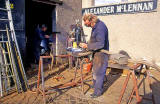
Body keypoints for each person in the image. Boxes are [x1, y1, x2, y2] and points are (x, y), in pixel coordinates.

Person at [79, 13, 109, 98]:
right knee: (95, 72)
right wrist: (87, 45)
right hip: (97, 53)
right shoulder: (95, 26)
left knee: (99, 73)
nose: (86, 24)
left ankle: (97, 92)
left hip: (102, 54)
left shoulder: (100, 27)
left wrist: (87, 46)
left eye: (86, 22)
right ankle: (96, 88)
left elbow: (100, 44)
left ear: (92, 20)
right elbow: (95, 40)